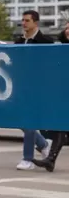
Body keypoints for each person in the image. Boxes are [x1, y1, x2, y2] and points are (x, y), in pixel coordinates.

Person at [14, 10, 54, 171]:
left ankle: (27, 159)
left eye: (27, 21)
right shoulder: (18, 42)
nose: (23, 23)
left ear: (35, 23)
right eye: (22, 21)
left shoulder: (46, 41)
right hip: (21, 87)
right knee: (18, 120)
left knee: (29, 120)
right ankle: (44, 144)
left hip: (38, 88)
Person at [31, 23, 69, 172]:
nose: (67, 31)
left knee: (62, 126)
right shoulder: (62, 46)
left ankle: (50, 157)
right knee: (60, 125)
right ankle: (50, 159)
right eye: (66, 28)